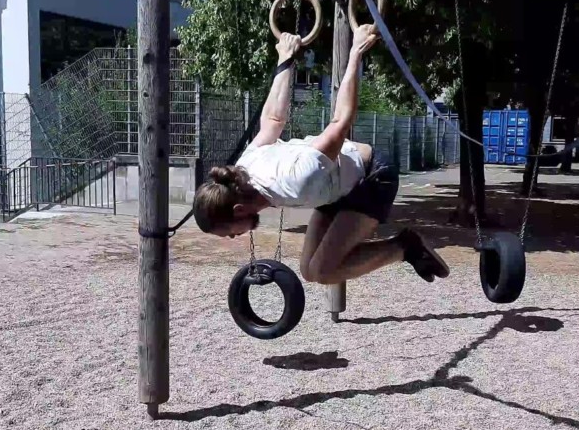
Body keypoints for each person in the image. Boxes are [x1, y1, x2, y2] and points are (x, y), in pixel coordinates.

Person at [192, 25, 450, 285]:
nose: (234, 238)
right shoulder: (244, 168)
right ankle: (403, 246)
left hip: (370, 178)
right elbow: (272, 119)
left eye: (230, 234)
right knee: (308, 270)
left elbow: (340, 121)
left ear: (238, 210)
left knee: (323, 271)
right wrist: (285, 59)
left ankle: (405, 247)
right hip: (332, 187)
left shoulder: (294, 180)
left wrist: (356, 53)